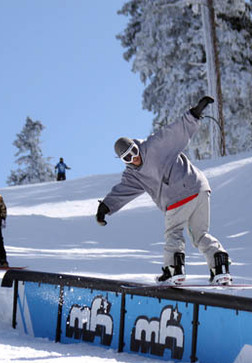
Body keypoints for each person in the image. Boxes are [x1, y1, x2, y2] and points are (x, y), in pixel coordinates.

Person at [95, 96, 232, 285]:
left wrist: (194, 113)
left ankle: (173, 270)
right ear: (123, 161)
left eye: (134, 151)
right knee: (200, 234)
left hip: (180, 193)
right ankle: (220, 266)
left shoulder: (153, 146)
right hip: (200, 189)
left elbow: (176, 132)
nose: (134, 158)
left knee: (174, 232)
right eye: (128, 158)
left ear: (137, 145)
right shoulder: (133, 175)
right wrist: (105, 207)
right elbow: (122, 191)